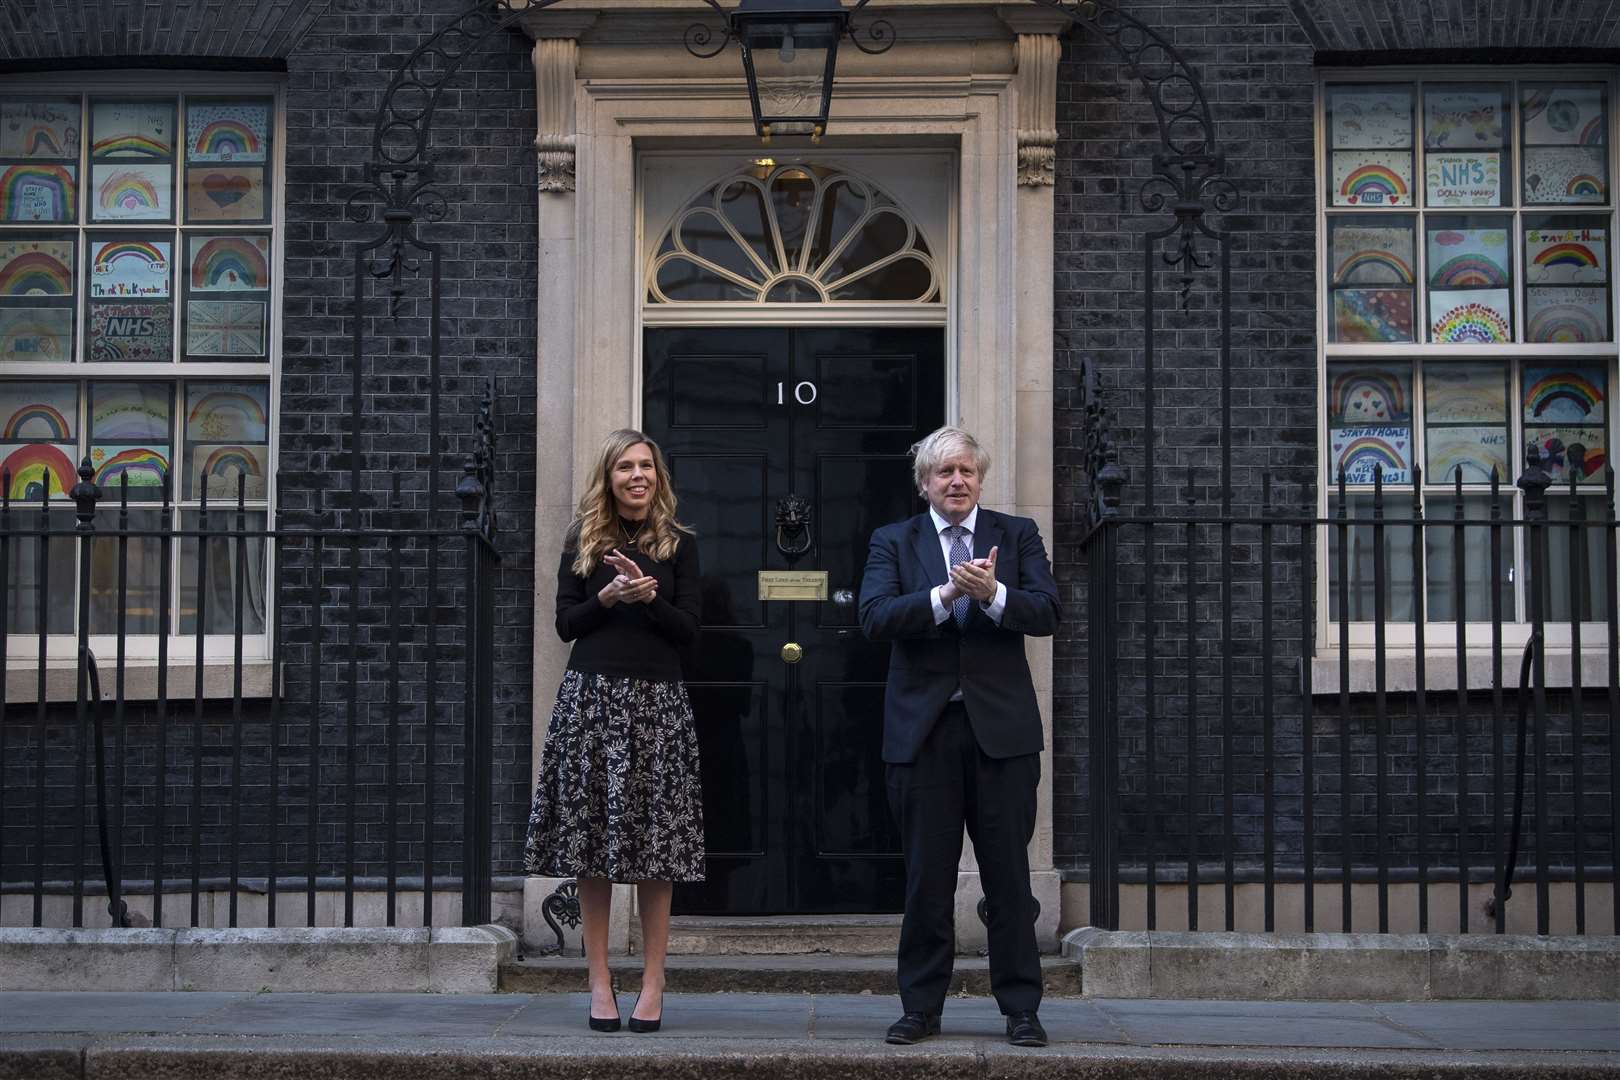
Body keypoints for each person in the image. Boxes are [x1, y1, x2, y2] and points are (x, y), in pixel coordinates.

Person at [858, 426, 1060, 1048]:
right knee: (927, 879)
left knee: (1008, 880)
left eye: (967, 471)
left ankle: (1021, 1008)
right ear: (925, 483)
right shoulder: (894, 539)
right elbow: (874, 617)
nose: (957, 481)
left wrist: (994, 594)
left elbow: (1047, 611)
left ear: (980, 478)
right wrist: (946, 594)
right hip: (924, 736)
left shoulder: (1016, 535)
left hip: (1002, 734)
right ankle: (920, 1007)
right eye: (944, 472)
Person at [523, 428, 704, 1034]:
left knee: (657, 854)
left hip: (658, 707)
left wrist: (649, 597)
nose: (637, 476)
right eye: (625, 466)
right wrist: (607, 594)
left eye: (646, 466)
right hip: (592, 703)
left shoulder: (679, 544)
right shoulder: (584, 540)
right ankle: (599, 980)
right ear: (609, 476)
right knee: (592, 851)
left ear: (659, 476)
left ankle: (653, 984)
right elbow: (564, 625)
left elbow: (689, 631)